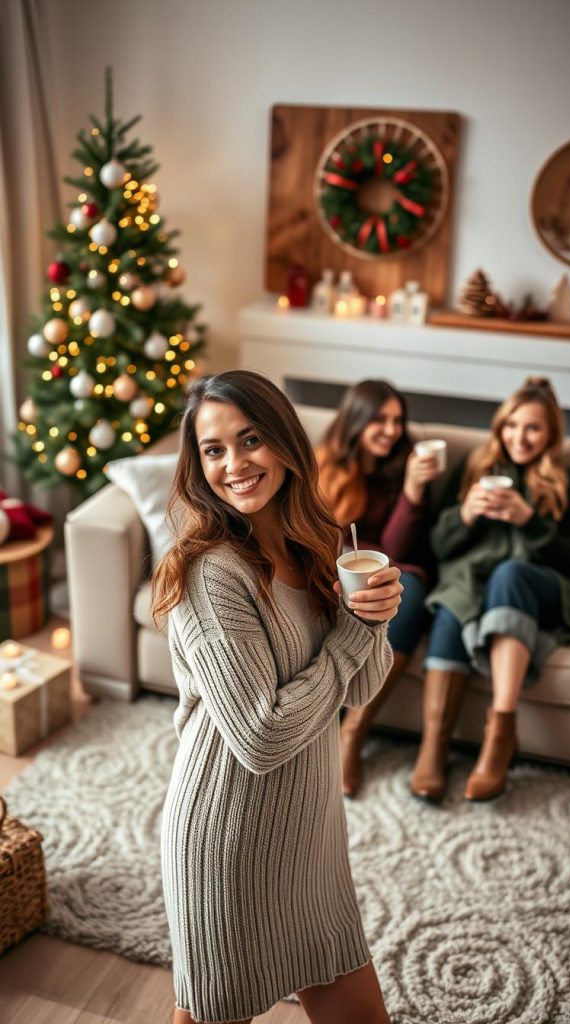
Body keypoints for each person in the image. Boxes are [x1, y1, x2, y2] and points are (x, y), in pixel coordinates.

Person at [151, 370, 403, 1024]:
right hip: (227, 842)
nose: (234, 464)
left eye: (251, 439)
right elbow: (260, 738)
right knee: (213, 1014)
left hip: (310, 834)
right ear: (196, 462)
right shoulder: (211, 575)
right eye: (213, 449)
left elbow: (360, 690)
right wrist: (353, 635)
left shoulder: (311, 546)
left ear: (286, 444)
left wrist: (373, 621)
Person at [410, 376, 570, 803]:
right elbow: (438, 547)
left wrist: (530, 520)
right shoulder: (475, 468)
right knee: (455, 598)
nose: (518, 437)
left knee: (510, 573)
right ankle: (434, 746)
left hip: (546, 590)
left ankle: (501, 732)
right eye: (510, 425)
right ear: (499, 426)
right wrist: (465, 514)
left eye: (532, 428)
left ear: (550, 434)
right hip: (477, 587)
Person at [316, 379, 443, 797]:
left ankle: (353, 732)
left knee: (410, 592)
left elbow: (398, 549)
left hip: (393, 574)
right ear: (356, 420)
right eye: (380, 420)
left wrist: (411, 489)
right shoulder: (325, 467)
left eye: (397, 421)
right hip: (332, 573)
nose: (391, 430)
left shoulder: (403, 469)